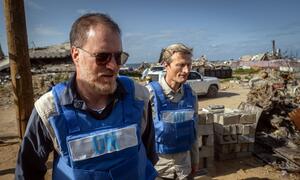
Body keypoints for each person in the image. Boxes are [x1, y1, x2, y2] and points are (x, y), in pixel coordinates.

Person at [15, 13, 158, 180]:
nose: (113, 66)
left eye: (118, 57)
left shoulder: (138, 97)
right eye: (102, 57)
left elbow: (147, 156)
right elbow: (27, 173)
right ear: (76, 55)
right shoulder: (49, 110)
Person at [146, 43, 199, 180]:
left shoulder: (191, 95)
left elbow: (194, 132)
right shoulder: (149, 95)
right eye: (180, 65)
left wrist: (195, 161)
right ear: (166, 64)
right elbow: (141, 137)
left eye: (189, 65)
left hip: (184, 170)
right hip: (158, 171)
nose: (186, 70)